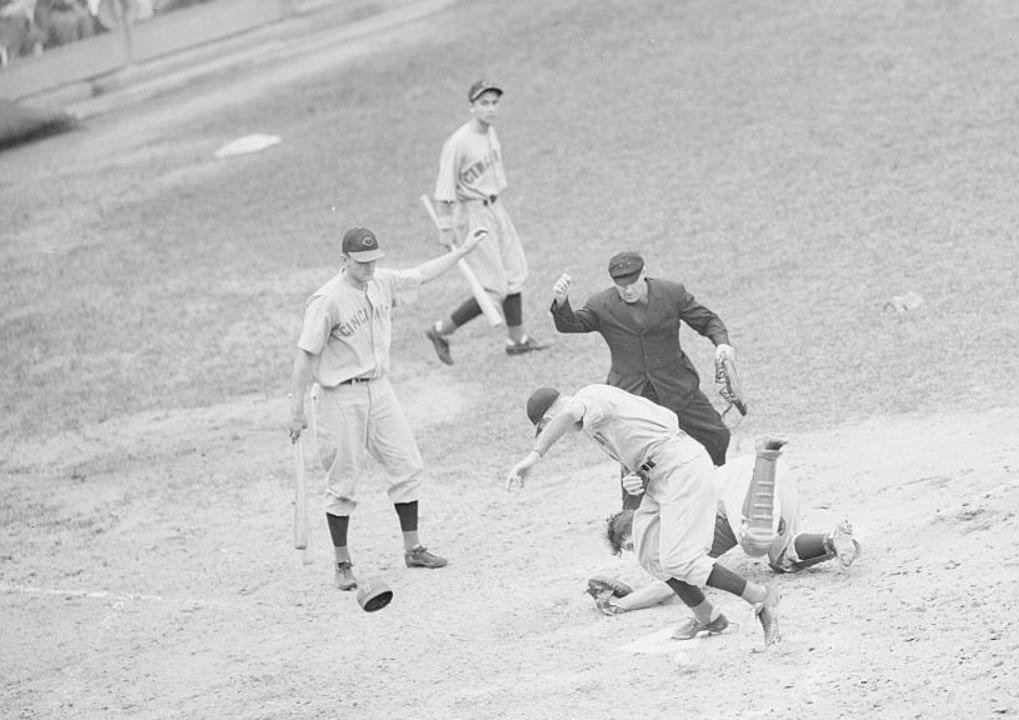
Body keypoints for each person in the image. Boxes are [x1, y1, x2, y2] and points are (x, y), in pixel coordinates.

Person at [287, 226, 487, 591]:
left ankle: (413, 549)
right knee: (343, 481)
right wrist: (295, 409)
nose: (367, 268)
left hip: (378, 389)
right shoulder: (327, 300)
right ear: (344, 259)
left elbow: (421, 274)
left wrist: (462, 252)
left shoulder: (382, 281)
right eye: (360, 262)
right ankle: (343, 563)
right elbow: (305, 357)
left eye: (372, 261)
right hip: (338, 397)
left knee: (407, 465)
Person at [506, 385, 782, 645]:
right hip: (661, 476)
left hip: (682, 470)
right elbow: (654, 434)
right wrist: (634, 476)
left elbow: (568, 414)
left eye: (545, 426)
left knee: (680, 560)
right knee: (650, 553)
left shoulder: (590, 399)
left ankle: (760, 597)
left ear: (549, 417)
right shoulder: (596, 422)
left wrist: (533, 457)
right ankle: (708, 618)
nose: (556, 430)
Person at [588, 438, 863, 615]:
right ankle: (832, 539)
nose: (642, 549)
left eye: (634, 542)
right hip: (774, 477)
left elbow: (668, 586)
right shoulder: (687, 526)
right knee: (782, 559)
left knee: (754, 542)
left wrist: (622, 604)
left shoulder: (676, 527)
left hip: (746, 484)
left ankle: (764, 474)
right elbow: (669, 582)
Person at [551, 252, 736, 509]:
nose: (626, 290)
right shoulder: (602, 304)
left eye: (632, 283)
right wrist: (562, 303)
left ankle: (710, 487)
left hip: (677, 386)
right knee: (634, 462)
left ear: (644, 273)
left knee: (717, 436)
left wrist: (722, 345)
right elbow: (571, 324)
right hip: (631, 397)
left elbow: (708, 321)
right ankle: (630, 522)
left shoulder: (672, 293)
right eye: (620, 285)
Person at [424, 80, 548, 364]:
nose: (490, 108)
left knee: (515, 273)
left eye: (494, 103)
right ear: (472, 107)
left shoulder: (490, 132)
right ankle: (439, 331)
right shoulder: (458, 143)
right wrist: (446, 228)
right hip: (474, 214)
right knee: (493, 288)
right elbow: (444, 190)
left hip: (497, 208)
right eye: (484, 103)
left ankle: (517, 340)